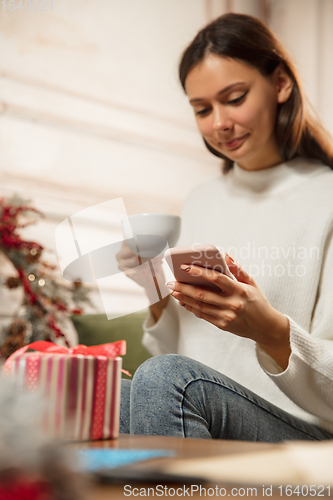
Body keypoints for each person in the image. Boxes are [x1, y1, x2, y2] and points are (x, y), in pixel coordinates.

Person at [117, 13, 333, 441]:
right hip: (205, 409)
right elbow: (173, 362)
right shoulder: (201, 199)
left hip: (305, 431)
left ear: (281, 85)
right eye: (202, 109)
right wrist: (154, 290)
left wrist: (269, 331)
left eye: (234, 98)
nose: (219, 123)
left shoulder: (325, 199)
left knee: (163, 379)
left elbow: (173, 379)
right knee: (106, 394)